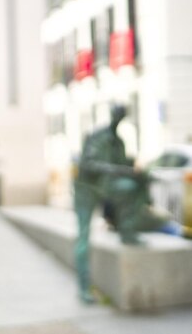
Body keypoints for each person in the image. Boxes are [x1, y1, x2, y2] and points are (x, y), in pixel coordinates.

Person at [73, 104, 145, 303]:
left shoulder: (119, 141)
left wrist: (133, 168)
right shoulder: (98, 137)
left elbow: (121, 165)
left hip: (106, 186)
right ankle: (84, 287)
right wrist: (116, 169)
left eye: (122, 116)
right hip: (86, 190)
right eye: (117, 115)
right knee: (83, 237)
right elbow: (88, 164)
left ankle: (127, 232)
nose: (118, 119)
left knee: (131, 188)